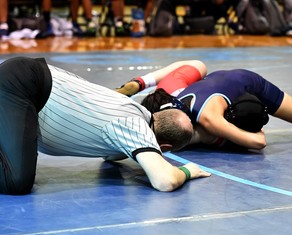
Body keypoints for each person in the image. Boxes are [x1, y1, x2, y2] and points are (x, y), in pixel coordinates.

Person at [0, 57, 210, 196]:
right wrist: (187, 171)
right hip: (23, 85)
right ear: (163, 147)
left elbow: (111, 155)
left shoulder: (133, 110)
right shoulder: (135, 126)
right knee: (17, 181)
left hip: (26, 81)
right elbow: (165, 181)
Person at [117, 60, 292, 150]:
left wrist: (255, 123)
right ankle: (139, 83)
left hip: (250, 83)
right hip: (212, 84)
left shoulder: (210, 120)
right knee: (198, 66)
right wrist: (141, 84)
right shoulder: (167, 94)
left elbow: (259, 142)